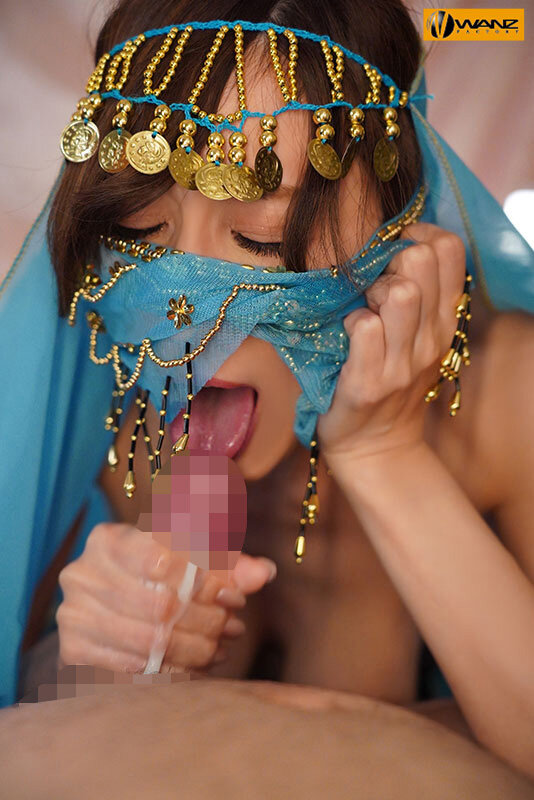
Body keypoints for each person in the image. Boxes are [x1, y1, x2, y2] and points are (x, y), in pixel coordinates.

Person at [2, 0, 534, 783]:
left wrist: (384, 455)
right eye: (142, 234)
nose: (184, 311)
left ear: (402, 224)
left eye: (261, 239)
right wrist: (91, 656)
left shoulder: (504, 395)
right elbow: (37, 723)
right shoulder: (110, 401)